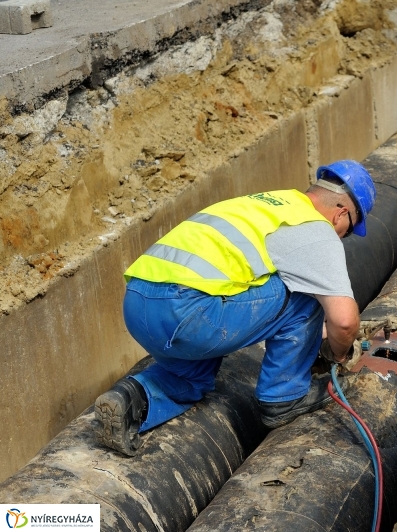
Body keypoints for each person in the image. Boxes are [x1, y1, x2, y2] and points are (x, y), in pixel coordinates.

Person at [94, 160, 376, 456]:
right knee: (310, 292)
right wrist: (339, 353)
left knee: (192, 377)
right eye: (348, 231)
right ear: (341, 214)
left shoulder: (269, 203)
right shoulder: (315, 227)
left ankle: (129, 399)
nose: (343, 238)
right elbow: (344, 321)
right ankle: (284, 396)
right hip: (186, 311)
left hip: (138, 305)